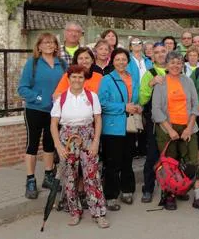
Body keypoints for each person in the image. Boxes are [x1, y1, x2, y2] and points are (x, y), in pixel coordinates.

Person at [49, 65, 109, 228]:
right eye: (74, 77)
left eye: (80, 77)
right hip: (67, 138)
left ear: (85, 79)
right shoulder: (61, 98)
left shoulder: (92, 96)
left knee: (92, 176)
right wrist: (58, 146)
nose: (77, 80)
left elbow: (98, 120)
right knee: (70, 177)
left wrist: (96, 142)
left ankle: (99, 213)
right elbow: (54, 124)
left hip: (87, 135)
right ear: (68, 79)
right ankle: (74, 211)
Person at [151, 51, 199, 212]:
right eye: (172, 63)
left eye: (178, 63)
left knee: (193, 161)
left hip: (188, 126)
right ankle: (170, 194)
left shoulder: (188, 81)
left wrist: (189, 128)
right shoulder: (160, 83)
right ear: (166, 65)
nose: (175, 66)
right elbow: (156, 109)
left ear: (182, 64)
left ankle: (198, 196)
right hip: (166, 128)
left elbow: (195, 105)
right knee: (170, 163)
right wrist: (170, 129)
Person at [18, 33, 67, 199]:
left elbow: (68, 83)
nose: (49, 45)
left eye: (52, 42)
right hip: (35, 110)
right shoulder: (32, 63)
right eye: (45, 42)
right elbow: (22, 88)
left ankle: (48, 176)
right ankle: (30, 180)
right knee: (32, 144)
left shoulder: (62, 63)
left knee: (49, 144)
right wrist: (39, 98)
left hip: (54, 112)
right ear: (39, 46)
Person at [98, 48, 141, 211]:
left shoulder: (132, 78)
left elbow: (135, 100)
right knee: (112, 163)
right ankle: (111, 195)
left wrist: (138, 108)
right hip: (112, 128)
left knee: (127, 161)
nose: (121, 62)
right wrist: (124, 107)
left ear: (128, 61)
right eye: (118, 59)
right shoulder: (107, 80)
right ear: (112, 61)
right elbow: (102, 103)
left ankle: (127, 190)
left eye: (124, 59)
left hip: (129, 126)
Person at [139, 42, 168, 203]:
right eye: (157, 52)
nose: (160, 54)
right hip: (154, 121)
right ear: (152, 55)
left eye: (163, 51)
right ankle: (148, 188)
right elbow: (142, 98)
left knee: (172, 154)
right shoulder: (149, 73)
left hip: (173, 120)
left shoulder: (175, 70)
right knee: (152, 155)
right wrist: (151, 84)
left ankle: (171, 187)